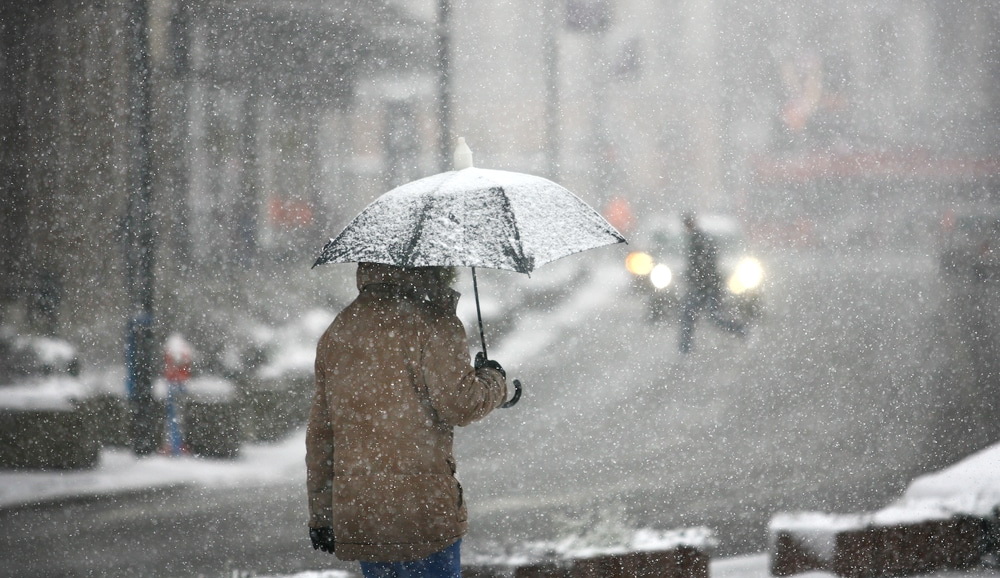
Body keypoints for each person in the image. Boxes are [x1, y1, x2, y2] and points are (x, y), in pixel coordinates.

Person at [305, 262, 509, 578]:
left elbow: (321, 434)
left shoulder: (340, 329)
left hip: (364, 511)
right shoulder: (435, 323)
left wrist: (322, 515)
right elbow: (461, 404)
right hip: (422, 510)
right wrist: (494, 378)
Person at [678, 212, 746, 353]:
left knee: (708, 317)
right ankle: (685, 348)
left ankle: (741, 329)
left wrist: (698, 278)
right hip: (704, 286)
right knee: (694, 316)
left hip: (706, 287)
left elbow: (705, 265)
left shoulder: (699, 240)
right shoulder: (697, 239)